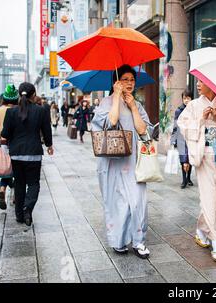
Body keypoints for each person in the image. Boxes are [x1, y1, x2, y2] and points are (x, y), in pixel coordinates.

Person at [91, 64, 153, 259]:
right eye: (125, 79)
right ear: (116, 82)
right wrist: (117, 97)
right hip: (112, 162)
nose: (129, 83)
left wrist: (134, 106)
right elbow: (110, 122)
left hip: (134, 161)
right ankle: (118, 240)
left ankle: (139, 241)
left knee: (137, 202)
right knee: (117, 202)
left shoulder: (138, 104)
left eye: (132, 80)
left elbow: (144, 131)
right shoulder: (106, 102)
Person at [177, 80, 216, 263]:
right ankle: (215, 242)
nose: (197, 84)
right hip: (204, 155)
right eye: (197, 81)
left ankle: (200, 230)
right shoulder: (194, 105)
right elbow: (182, 126)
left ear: (213, 84)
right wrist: (200, 120)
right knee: (209, 197)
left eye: (202, 82)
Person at [1, 82, 53, 226]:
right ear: (33, 94)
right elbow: (46, 130)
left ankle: (19, 215)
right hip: (34, 153)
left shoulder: (11, 112)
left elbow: (4, 134)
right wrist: (49, 145)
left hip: (16, 154)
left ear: (19, 94)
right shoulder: (41, 111)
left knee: (19, 184)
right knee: (34, 184)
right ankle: (27, 208)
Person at [0, 84, 19, 209]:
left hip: (2, 143)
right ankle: (15, 195)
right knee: (15, 170)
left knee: (5, 170)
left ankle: (2, 190)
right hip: (15, 143)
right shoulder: (17, 109)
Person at [170, 89, 194, 189]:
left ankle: (188, 178)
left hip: (192, 137)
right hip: (181, 137)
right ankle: (184, 180)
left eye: (188, 98)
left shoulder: (194, 110)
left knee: (190, 158)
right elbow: (175, 125)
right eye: (184, 98)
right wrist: (173, 139)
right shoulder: (179, 110)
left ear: (192, 99)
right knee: (183, 158)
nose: (186, 100)